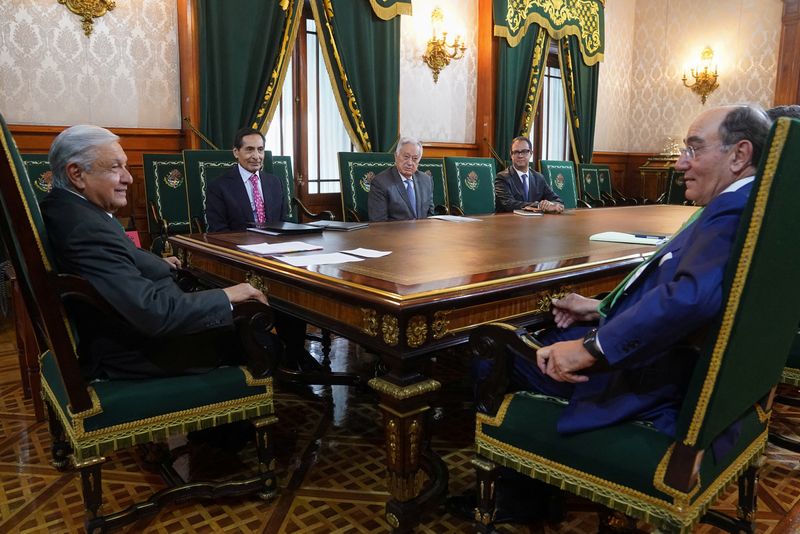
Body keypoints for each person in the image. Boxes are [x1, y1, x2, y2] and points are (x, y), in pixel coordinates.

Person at [493, 105, 771, 438]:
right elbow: (689, 290)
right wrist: (599, 307)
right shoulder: (754, 206)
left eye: (693, 149)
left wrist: (590, 348)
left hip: (643, 377)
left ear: (739, 155)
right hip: (669, 360)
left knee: (497, 347)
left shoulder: (730, 212)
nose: (680, 163)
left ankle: (520, 468)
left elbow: (690, 300)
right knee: (542, 331)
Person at [40, 125, 271, 380]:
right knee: (261, 338)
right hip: (148, 351)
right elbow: (154, 313)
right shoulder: (84, 228)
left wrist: (155, 262)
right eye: (116, 167)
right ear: (77, 173)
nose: (128, 178)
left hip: (145, 332)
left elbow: (120, 260)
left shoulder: (72, 209)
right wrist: (227, 295)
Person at [205, 127, 287, 232]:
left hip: (275, 245)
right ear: (236, 152)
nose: (256, 156)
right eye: (249, 149)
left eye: (260, 150)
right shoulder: (218, 187)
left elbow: (283, 222)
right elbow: (219, 230)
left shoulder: (275, 182)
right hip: (237, 246)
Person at [368, 137, 434, 221]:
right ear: (396, 156)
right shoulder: (380, 183)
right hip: (395, 233)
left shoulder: (426, 180)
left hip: (423, 232)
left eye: (415, 159)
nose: (410, 163)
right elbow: (378, 222)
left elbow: (430, 216)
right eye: (406, 157)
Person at [494, 136, 564, 213]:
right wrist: (539, 206)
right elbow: (509, 204)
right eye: (516, 152)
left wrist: (551, 204)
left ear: (531, 153)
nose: (520, 156)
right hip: (509, 222)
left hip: (535, 223)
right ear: (511, 155)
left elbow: (557, 201)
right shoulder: (502, 178)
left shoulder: (539, 177)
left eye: (524, 151)